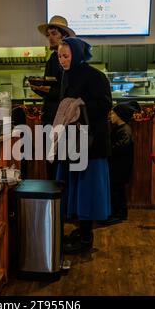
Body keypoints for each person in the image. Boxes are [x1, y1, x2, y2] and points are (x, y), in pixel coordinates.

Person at [55, 37, 112, 254]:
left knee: (87, 190)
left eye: (66, 56)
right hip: (74, 141)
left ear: (78, 55)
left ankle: (86, 238)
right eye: (60, 56)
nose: (62, 60)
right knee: (75, 188)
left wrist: (77, 106)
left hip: (91, 143)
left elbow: (105, 104)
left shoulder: (95, 76)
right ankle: (81, 232)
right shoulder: (66, 75)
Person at [33, 16, 75, 180]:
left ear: (63, 36)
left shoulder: (58, 59)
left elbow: (63, 91)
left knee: (55, 162)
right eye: (48, 34)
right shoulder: (60, 58)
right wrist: (42, 89)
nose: (50, 37)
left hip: (56, 119)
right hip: (60, 118)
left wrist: (42, 89)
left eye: (53, 33)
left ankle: (57, 200)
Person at [103, 100, 141, 225]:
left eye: (113, 114)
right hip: (118, 167)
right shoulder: (122, 129)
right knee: (116, 191)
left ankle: (118, 214)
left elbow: (119, 148)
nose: (110, 116)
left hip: (120, 168)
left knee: (117, 191)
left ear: (120, 116)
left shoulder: (124, 131)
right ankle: (118, 213)